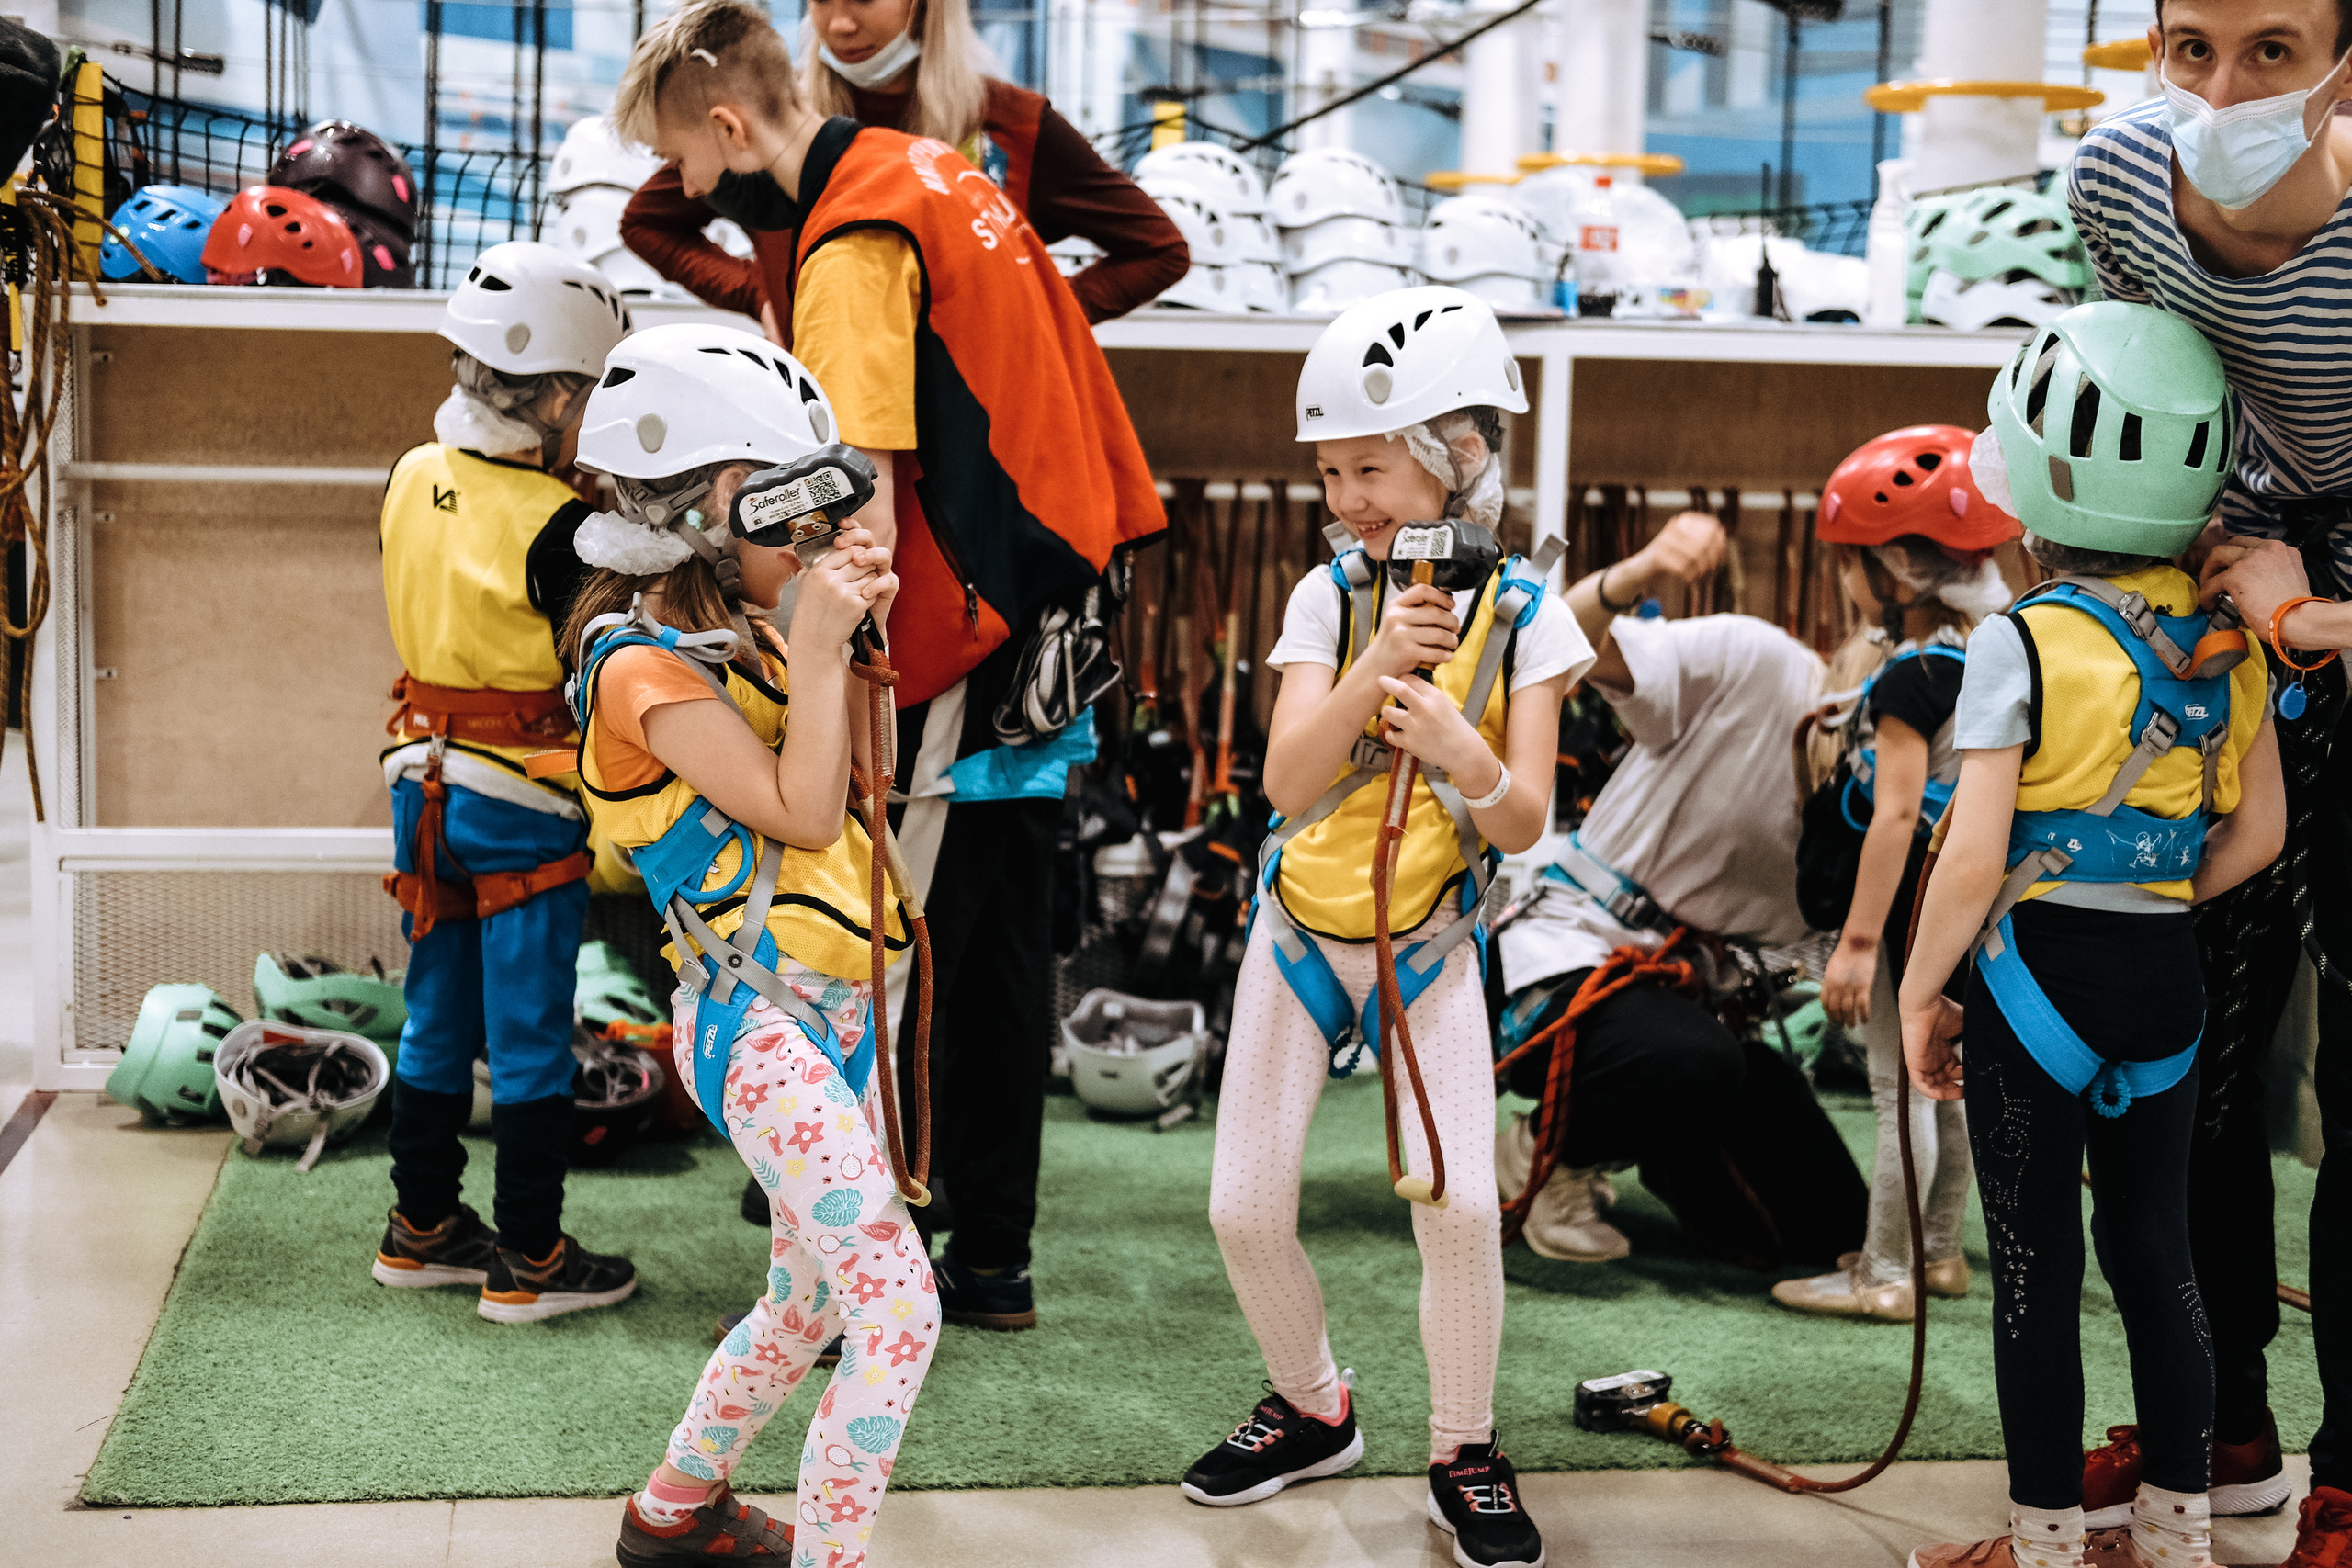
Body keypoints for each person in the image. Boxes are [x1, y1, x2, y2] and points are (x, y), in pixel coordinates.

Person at [612, 0, 1162, 1336]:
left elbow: (853, 493)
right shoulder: (929, 167)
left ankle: (885, 1241)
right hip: (1053, 598)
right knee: (999, 936)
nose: (687, 190)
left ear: (731, 127)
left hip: (962, 626)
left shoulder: (857, 236)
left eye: (683, 159)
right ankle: (992, 1258)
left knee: (889, 937)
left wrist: (819, 650)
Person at [1181, 286, 1588, 1568]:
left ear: (1459, 456)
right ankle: (1313, 1403)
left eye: (1372, 463)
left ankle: (1464, 1444)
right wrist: (1373, 666)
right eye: (1330, 470)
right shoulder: (1325, 597)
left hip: (1432, 945)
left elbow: (1523, 821)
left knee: (1464, 1205)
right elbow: (1288, 781)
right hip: (1300, 931)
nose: (1347, 494)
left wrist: (1464, 745)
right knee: (1243, 1209)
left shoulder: (1531, 617)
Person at [1900, 302, 2283, 1568]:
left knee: (2034, 1265)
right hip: (2166, 983)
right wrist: (2158, 887)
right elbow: (2259, 833)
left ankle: (2049, 1539)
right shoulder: (2226, 640)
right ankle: (2178, 1530)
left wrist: (1921, 988)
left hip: (2036, 981)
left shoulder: (2018, 639)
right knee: (2157, 1247)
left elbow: (1970, 854)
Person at [556, 323, 933, 1568]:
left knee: (809, 1296)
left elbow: (864, 762)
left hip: (839, 1005)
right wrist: (817, 644)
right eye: (773, 505)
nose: (801, 533)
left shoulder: (748, 624)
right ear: (689, 509)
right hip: (755, 1018)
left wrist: (848, 630)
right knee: (897, 1303)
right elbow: (803, 809)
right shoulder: (637, 669)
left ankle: (672, 1509)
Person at [2068, 2, 2352, 1551]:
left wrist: (2319, 612)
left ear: (2345, 69)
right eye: (2192, 48)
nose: (2225, 88)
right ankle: (2214, 1418)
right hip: (2217, 626)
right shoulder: (2117, 179)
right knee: (2189, 1061)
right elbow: (2151, 400)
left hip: (2333, 611)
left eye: (2273, 49)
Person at [370, 241, 639, 1324]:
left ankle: (420, 1228)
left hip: (416, 781)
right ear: (564, 393)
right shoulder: (563, 528)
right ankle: (529, 1257)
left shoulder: (408, 472)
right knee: (528, 1032)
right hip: (522, 799)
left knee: (435, 1015)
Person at [1489, 523, 1871, 1272]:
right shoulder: (1761, 665)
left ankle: (1652, 1141)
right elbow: (1562, 636)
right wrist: (1640, 568)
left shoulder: (1890, 816)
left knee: (1835, 1230)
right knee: (1694, 1061)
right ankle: (1544, 1155)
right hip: (1562, 957)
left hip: (1696, 1007)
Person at [1770, 425, 2017, 1323]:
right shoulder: (1993, 647)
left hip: (1909, 901)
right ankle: (1939, 1253)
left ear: (1904, 568)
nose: (1844, 580)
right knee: (1938, 1078)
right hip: (1968, 899)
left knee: (1894, 1084)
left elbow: (1896, 814)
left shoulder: (1910, 675)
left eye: (1852, 562)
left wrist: (1857, 945)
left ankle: (1885, 1272)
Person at [619, 0, 1187, 326]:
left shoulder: (1014, 124)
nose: (839, 24)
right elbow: (647, 220)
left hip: (969, 440)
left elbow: (1158, 249)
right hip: (829, 429)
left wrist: (1035, 321)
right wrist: (760, 294)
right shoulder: (770, 124)